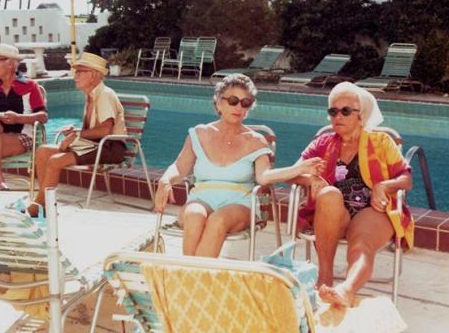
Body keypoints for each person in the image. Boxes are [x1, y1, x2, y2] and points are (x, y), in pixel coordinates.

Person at [154, 74, 324, 258]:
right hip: (201, 198)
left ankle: (188, 279)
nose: (238, 107)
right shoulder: (199, 133)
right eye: (233, 100)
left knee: (217, 220)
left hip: (239, 203)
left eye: (245, 103)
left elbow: (264, 177)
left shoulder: (256, 141)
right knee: (194, 215)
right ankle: (195, 279)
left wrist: (299, 169)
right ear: (218, 103)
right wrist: (165, 180)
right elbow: (180, 167)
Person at [294, 82, 414, 308]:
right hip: (334, 213)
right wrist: (311, 179)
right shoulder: (323, 143)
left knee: (361, 245)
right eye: (333, 111)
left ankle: (346, 290)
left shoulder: (381, 142)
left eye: (346, 111)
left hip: (372, 210)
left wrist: (383, 186)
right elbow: (294, 172)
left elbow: (405, 178)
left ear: (361, 115)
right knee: (329, 194)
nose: (338, 116)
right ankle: (325, 278)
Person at [28, 52, 127, 215]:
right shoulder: (91, 95)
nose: (75, 75)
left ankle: (39, 205)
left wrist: (77, 136)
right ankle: (43, 202)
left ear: (94, 75)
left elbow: (105, 130)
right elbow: (95, 131)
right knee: (43, 151)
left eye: (80, 71)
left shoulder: (105, 95)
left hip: (110, 147)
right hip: (96, 145)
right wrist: (75, 133)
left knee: (55, 161)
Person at [0, 43, 48, 191]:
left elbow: (43, 116)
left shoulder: (30, 85)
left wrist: (18, 118)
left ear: (10, 63)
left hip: (22, 137)